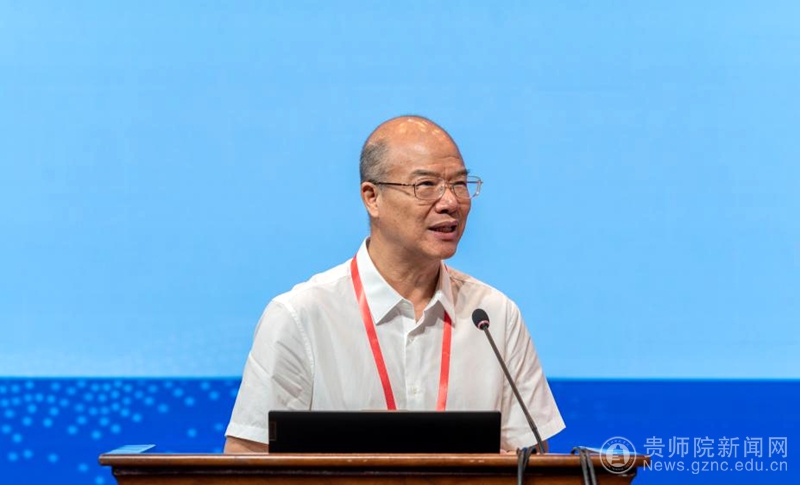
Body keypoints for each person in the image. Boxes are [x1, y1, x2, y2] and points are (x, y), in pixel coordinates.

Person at [224, 115, 565, 453]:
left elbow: (531, 463)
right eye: (426, 185)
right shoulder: (300, 317)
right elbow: (247, 459)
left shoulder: (493, 316)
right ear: (372, 197)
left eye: (460, 184)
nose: (450, 202)